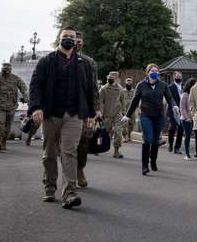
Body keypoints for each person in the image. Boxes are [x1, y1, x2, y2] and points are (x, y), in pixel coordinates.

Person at [28, 27, 96, 209]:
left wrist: (91, 113)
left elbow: (90, 90)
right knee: (49, 154)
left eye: (72, 37)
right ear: (59, 39)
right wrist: (35, 108)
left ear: (76, 41)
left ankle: (69, 193)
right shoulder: (46, 61)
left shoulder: (84, 64)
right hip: (51, 114)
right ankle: (50, 188)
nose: (68, 39)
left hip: (74, 115)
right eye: (65, 36)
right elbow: (35, 86)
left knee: (69, 152)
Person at [122, 64, 177, 175]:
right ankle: (144, 165)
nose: (155, 73)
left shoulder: (163, 85)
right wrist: (127, 115)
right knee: (147, 139)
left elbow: (169, 98)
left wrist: (174, 105)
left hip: (158, 116)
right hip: (146, 115)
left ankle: (153, 160)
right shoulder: (141, 85)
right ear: (147, 73)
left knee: (156, 140)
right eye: (152, 71)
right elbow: (135, 101)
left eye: (157, 71)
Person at [73, 31, 100, 188]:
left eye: (80, 41)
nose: (77, 43)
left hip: (83, 109)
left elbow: (94, 88)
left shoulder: (89, 62)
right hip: (63, 109)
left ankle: (79, 169)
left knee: (84, 140)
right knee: (67, 143)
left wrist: (96, 110)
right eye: (74, 40)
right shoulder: (57, 59)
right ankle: (68, 173)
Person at [0, 62, 27, 152]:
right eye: (4, 69)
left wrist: (25, 97)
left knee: (8, 127)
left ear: (10, 70)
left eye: (7, 69)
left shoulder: (15, 78)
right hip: (0, 107)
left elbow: (23, 88)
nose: (6, 71)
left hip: (11, 107)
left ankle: (4, 141)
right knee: (1, 125)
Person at [99, 71, 126, 158]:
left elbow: (123, 101)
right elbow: (100, 102)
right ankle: (98, 147)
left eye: (112, 79)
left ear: (117, 79)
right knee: (103, 133)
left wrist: (124, 113)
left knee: (118, 132)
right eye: (109, 79)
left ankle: (116, 151)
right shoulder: (103, 89)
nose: (110, 80)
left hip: (117, 113)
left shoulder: (120, 89)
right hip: (106, 114)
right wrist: (100, 113)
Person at [167, 71, 184, 154]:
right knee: (172, 128)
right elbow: (169, 99)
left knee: (181, 129)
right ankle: (170, 143)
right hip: (173, 110)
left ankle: (177, 147)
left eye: (180, 77)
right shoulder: (170, 87)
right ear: (174, 77)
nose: (179, 78)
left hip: (182, 111)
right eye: (177, 77)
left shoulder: (183, 87)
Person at [180, 78, 197, 159]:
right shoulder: (185, 95)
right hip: (186, 119)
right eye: (194, 84)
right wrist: (187, 118)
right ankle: (187, 153)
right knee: (188, 136)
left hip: (194, 118)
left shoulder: (194, 94)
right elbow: (182, 108)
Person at [122, 77, 137, 142]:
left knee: (131, 124)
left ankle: (129, 135)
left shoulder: (134, 91)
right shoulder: (122, 91)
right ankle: (124, 136)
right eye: (127, 81)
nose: (129, 83)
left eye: (130, 81)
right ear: (125, 83)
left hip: (132, 110)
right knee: (124, 124)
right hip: (124, 110)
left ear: (132, 83)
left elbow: (137, 100)